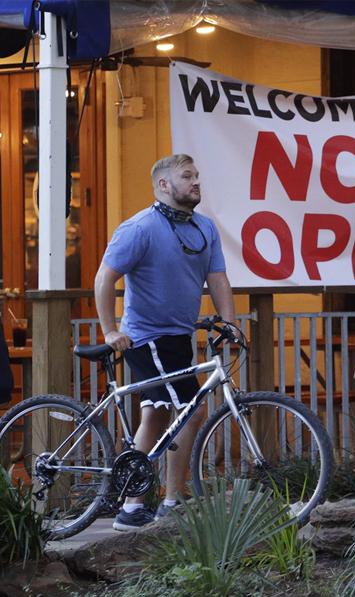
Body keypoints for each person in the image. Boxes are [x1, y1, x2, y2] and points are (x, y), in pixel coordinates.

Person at [94, 154, 235, 531]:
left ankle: (132, 507)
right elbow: (105, 278)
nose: (196, 181)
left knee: (157, 414)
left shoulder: (204, 228)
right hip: (146, 337)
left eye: (197, 175)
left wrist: (230, 323)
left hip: (178, 337)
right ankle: (172, 501)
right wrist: (110, 330)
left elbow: (217, 278)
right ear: (163, 185)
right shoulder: (139, 228)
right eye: (187, 176)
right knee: (192, 410)